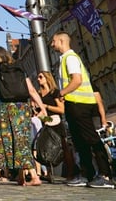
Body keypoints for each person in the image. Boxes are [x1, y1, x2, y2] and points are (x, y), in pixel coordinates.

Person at [51, 31, 115, 188]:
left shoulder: (70, 58)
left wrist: (62, 92)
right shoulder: (65, 59)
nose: (52, 44)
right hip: (74, 104)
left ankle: (105, 175)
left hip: (81, 104)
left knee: (91, 138)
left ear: (61, 41)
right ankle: (88, 174)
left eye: (53, 41)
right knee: (80, 142)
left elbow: (77, 80)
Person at [0, 46, 45, 187]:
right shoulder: (19, 67)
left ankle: (34, 176)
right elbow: (31, 90)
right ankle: (21, 176)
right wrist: (42, 106)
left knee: (11, 143)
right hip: (22, 107)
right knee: (21, 140)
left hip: (5, 108)